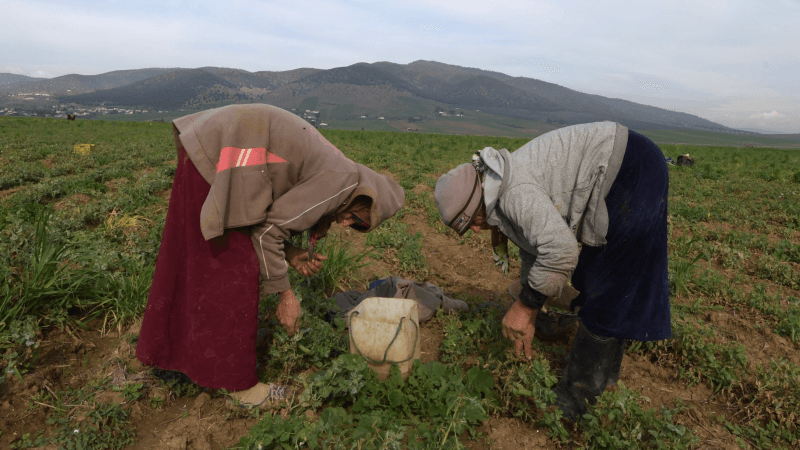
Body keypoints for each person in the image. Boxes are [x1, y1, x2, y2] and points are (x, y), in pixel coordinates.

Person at [136, 104, 404, 407]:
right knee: (235, 272)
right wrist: (286, 296)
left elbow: (265, 224)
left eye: (358, 227)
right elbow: (265, 233)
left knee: (192, 262)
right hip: (225, 154)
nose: (347, 224)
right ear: (365, 198)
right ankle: (238, 387)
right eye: (357, 219)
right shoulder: (342, 182)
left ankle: (162, 351)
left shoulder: (342, 174)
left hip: (213, 146)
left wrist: (289, 253)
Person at [434, 121, 671, 420]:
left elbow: (561, 251)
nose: (478, 228)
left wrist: (524, 305)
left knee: (607, 285)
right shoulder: (499, 184)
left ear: (479, 198)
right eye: (470, 227)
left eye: (475, 220)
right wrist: (531, 308)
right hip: (626, 164)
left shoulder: (513, 192)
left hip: (629, 168)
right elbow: (535, 247)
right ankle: (605, 386)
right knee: (600, 283)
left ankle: (575, 404)